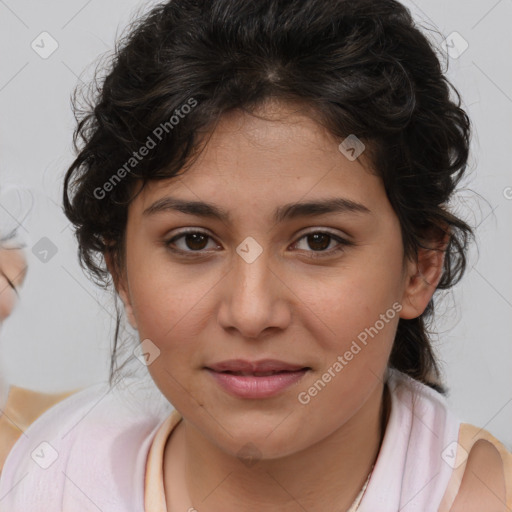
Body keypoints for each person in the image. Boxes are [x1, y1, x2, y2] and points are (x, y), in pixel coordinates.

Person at [0, 0, 511, 510]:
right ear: (121, 273)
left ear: (420, 266)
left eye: (319, 241)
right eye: (193, 240)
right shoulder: (41, 479)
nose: (251, 312)